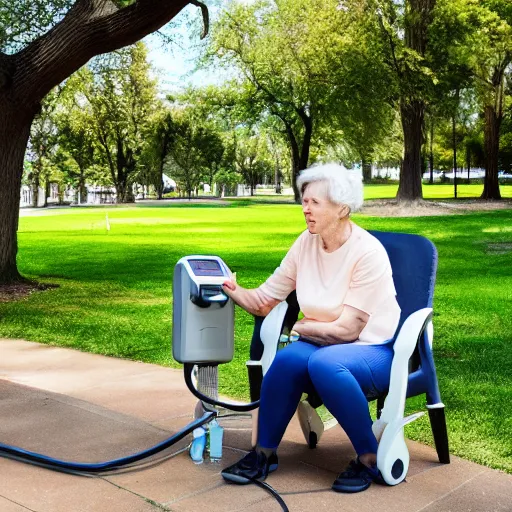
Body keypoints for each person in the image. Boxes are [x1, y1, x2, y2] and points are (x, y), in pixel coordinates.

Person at [220, 163, 401, 493]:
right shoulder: (306, 243)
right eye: (304, 200)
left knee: (323, 364)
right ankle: (263, 453)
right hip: (323, 342)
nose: (305, 208)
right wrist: (234, 291)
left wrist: (301, 328)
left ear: (341, 208)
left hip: (373, 348)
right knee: (288, 362)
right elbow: (264, 300)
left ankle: (369, 458)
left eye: (314, 202)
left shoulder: (367, 252)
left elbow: (348, 330)